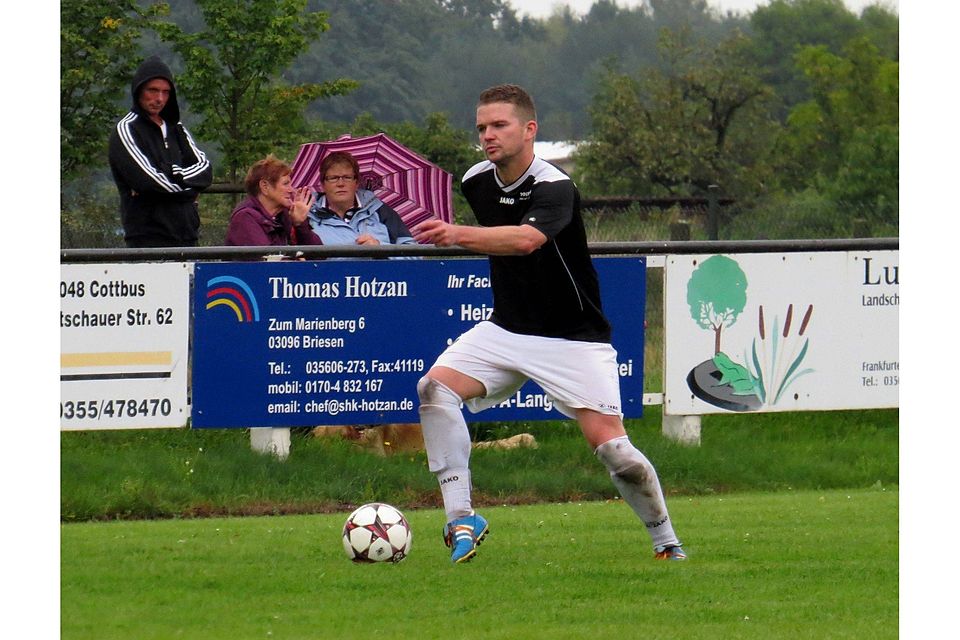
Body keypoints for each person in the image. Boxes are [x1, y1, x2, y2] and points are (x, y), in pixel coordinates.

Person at [411, 84, 685, 564]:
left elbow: (525, 240)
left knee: (616, 453)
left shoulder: (555, 185)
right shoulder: (476, 180)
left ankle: (666, 543)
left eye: (500, 125)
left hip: (573, 337)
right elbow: (499, 234)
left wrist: (457, 233)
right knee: (434, 389)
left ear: (530, 129)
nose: (488, 136)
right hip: (506, 329)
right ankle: (461, 518)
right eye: (481, 127)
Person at [108, 55, 212, 248]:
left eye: (166, 92)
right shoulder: (126, 130)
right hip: (147, 240)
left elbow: (205, 170)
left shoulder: (176, 128)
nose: (159, 99)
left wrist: (173, 173)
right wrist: (191, 190)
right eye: (153, 91)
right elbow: (150, 182)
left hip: (188, 238)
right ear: (139, 90)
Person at [307, 151, 416, 246]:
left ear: (357, 182)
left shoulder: (380, 211)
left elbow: (414, 256)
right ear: (322, 184)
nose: (340, 183)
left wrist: (380, 248)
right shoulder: (308, 216)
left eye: (347, 177)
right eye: (333, 178)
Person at [225, 155, 322, 247]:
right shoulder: (245, 218)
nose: (291, 190)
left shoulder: (284, 216)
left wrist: (300, 224)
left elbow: (319, 256)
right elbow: (267, 259)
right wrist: (297, 258)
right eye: (285, 184)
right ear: (265, 186)